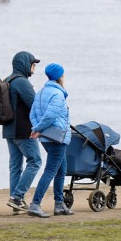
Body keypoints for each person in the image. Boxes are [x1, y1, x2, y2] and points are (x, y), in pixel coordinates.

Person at [27, 63, 74, 218]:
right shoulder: (58, 94)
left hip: (46, 138)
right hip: (57, 137)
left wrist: (37, 128)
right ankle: (35, 204)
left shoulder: (40, 93)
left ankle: (59, 204)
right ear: (60, 76)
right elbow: (49, 116)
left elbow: (32, 114)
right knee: (51, 171)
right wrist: (38, 129)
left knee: (61, 170)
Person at [3, 51, 42, 214]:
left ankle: (15, 201)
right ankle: (17, 197)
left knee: (15, 166)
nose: (34, 68)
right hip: (23, 129)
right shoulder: (22, 82)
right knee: (35, 161)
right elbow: (35, 104)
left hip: (8, 130)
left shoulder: (8, 80)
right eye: (33, 64)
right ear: (25, 65)